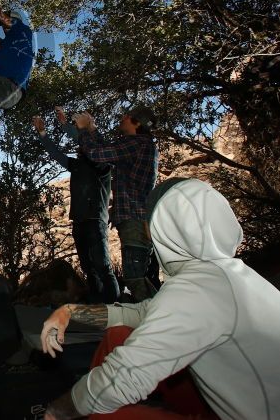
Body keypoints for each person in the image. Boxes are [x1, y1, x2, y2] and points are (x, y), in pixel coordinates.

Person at [40, 177, 280, 420]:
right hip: (237, 401)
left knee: (106, 415)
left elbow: (124, 378)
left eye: (148, 220)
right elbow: (144, 313)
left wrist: (57, 411)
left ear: (163, 227)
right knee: (119, 335)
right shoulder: (225, 275)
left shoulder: (198, 289)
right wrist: (70, 312)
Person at [33, 108, 119, 303]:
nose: (80, 148)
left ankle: (115, 308)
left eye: (84, 145)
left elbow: (91, 144)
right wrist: (42, 133)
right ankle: (99, 306)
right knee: (88, 268)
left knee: (103, 267)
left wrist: (72, 127)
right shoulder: (77, 165)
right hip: (79, 220)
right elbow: (55, 154)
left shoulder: (102, 166)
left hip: (95, 220)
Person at [73, 106, 159, 301]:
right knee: (139, 276)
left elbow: (96, 154)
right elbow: (109, 151)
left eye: (127, 116)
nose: (123, 118)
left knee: (135, 278)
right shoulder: (139, 145)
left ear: (137, 123)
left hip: (134, 219)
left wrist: (84, 130)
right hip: (136, 218)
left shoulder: (137, 144)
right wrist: (93, 129)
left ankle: (163, 322)